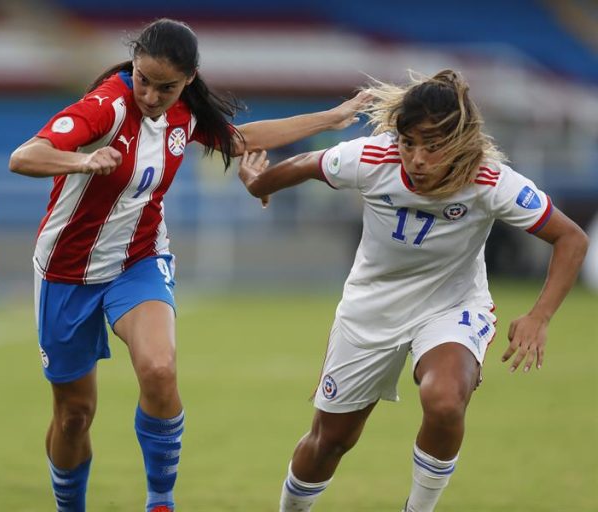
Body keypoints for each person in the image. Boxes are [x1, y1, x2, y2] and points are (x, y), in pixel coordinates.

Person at [9, 18, 366, 512]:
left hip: (138, 260)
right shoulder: (105, 107)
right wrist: (82, 162)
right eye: (143, 80)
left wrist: (332, 117)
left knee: (159, 369)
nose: (151, 95)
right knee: (74, 415)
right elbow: (25, 157)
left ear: (189, 80)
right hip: (67, 272)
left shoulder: (183, 115)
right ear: (132, 67)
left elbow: (240, 138)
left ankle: (161, 502)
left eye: (166, 86)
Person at [238, 69, 589, 512]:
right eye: (408, 143)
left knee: (444, 400)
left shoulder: (490, 181)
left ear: (460, 141)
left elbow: (571, 238)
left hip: (451, 306)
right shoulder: (371, 158)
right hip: (371, 308)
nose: (417, 159)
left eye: (433, 146)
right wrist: (257, 183)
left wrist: (539, 317)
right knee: (331, 440)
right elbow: (308, 165)